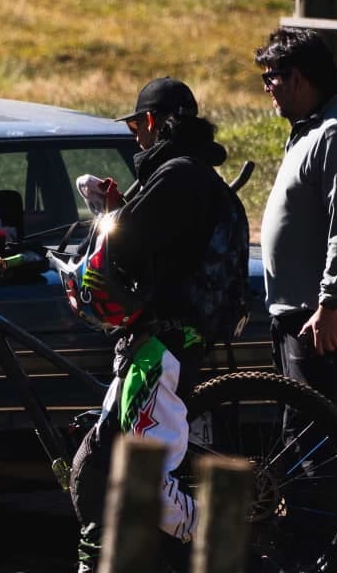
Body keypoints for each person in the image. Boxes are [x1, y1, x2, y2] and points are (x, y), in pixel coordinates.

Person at [70, 77, 232, 573]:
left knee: (134, 474)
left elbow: (128, 244)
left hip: (163, 341)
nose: (136, 135)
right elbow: (156, 240)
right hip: (159, 339)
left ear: (158, 123)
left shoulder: (179, 175)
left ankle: (225, 545)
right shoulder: (185, 172)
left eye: (139, 124)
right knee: (95, 466)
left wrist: (107, 217)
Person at [254, 28, 337, 409]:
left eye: (271, 77)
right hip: (300, 309)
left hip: (318, 316)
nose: (267, 88)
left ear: (297, 77)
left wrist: (330, 304)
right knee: (299, 427)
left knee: (309, 429)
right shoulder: (311, 127)